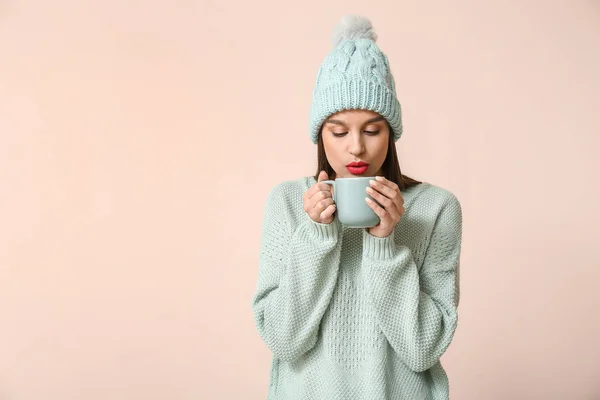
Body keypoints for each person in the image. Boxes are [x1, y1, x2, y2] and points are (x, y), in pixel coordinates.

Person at [250, 15, 463, 400]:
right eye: (338, 131)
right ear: (320, 134)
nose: (356, 148)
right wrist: (316, 236)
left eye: (371, 129)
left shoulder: (436, 208)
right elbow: (283, 339)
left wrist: (384, 244)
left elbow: (423, 350)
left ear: (391, 133)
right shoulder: (285, 202)